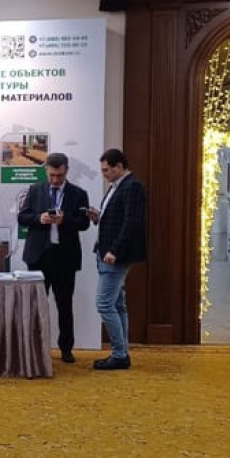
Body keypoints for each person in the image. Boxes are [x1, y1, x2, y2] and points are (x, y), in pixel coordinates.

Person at [17, 152, 91, 363]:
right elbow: (22, 217)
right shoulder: (34, 190)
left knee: (64, 304)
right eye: (51, 175)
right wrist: (38, 218)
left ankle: (66, 349)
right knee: (35, 306)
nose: (55, 179)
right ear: (46, 171)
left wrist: (64, 221)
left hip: (65, 257)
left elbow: (84, 224)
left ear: (67, 170)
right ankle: (34, 349)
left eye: (59, 175)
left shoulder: (79, 194)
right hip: (38, 256)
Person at [85, 147, 147, 370]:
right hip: (106, 252)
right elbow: (117, 219)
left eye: (106, 170)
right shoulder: (116, 186)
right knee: (118, 305)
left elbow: (132, 222)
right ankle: (122, 352)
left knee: (104, 304)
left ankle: (119, 354)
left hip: (115, 256)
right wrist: (97, 217)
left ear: (119, 166)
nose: (104, 174)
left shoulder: (132, 186)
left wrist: (115, 251)